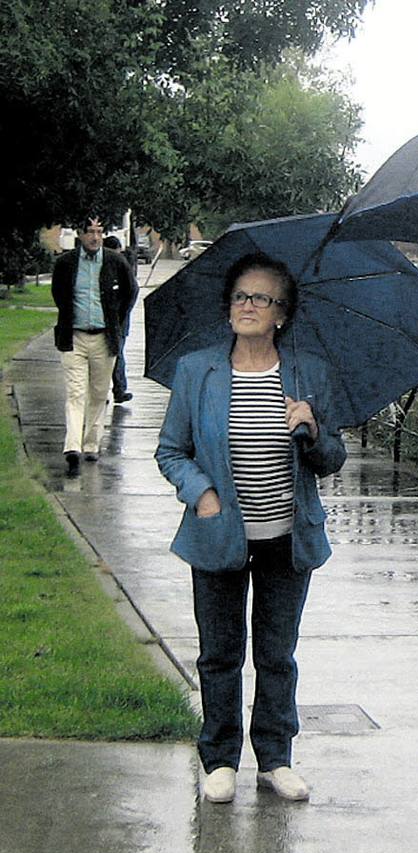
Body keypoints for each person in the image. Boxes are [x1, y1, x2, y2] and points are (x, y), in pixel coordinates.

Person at [155, 252, 347, 804]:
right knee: (219, 653)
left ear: (282, 313)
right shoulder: (198, 370)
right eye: (240, 296)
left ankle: (275, 758)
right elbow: (171, 451)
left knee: (276, 654)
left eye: (261, 298)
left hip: (287, 539)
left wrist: (310, 429)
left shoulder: (308, 372)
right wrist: (204, 493)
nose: (247, 305)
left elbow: (332, 458)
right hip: (217, 536)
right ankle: (218, 758)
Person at [51, 216, 135, 476]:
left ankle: (90, 444)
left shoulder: (115, 261)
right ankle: (72, 447)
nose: (95, 237)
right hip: (74, 337)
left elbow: (130, 292)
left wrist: (116, 322)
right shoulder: (66, 264)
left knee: (98, 394)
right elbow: (58, 294)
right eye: (90, 232)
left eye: (99, 232)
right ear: (80, 234)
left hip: (103, 337)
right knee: (75, 393)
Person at [102, 234, 138, 404]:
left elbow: (131, 292)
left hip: (118, 321)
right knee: (112, 356)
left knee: (115, 355)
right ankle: (114, 390)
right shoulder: (111, 267)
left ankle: (118, 389)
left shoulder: (121, 267)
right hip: (110, 321)